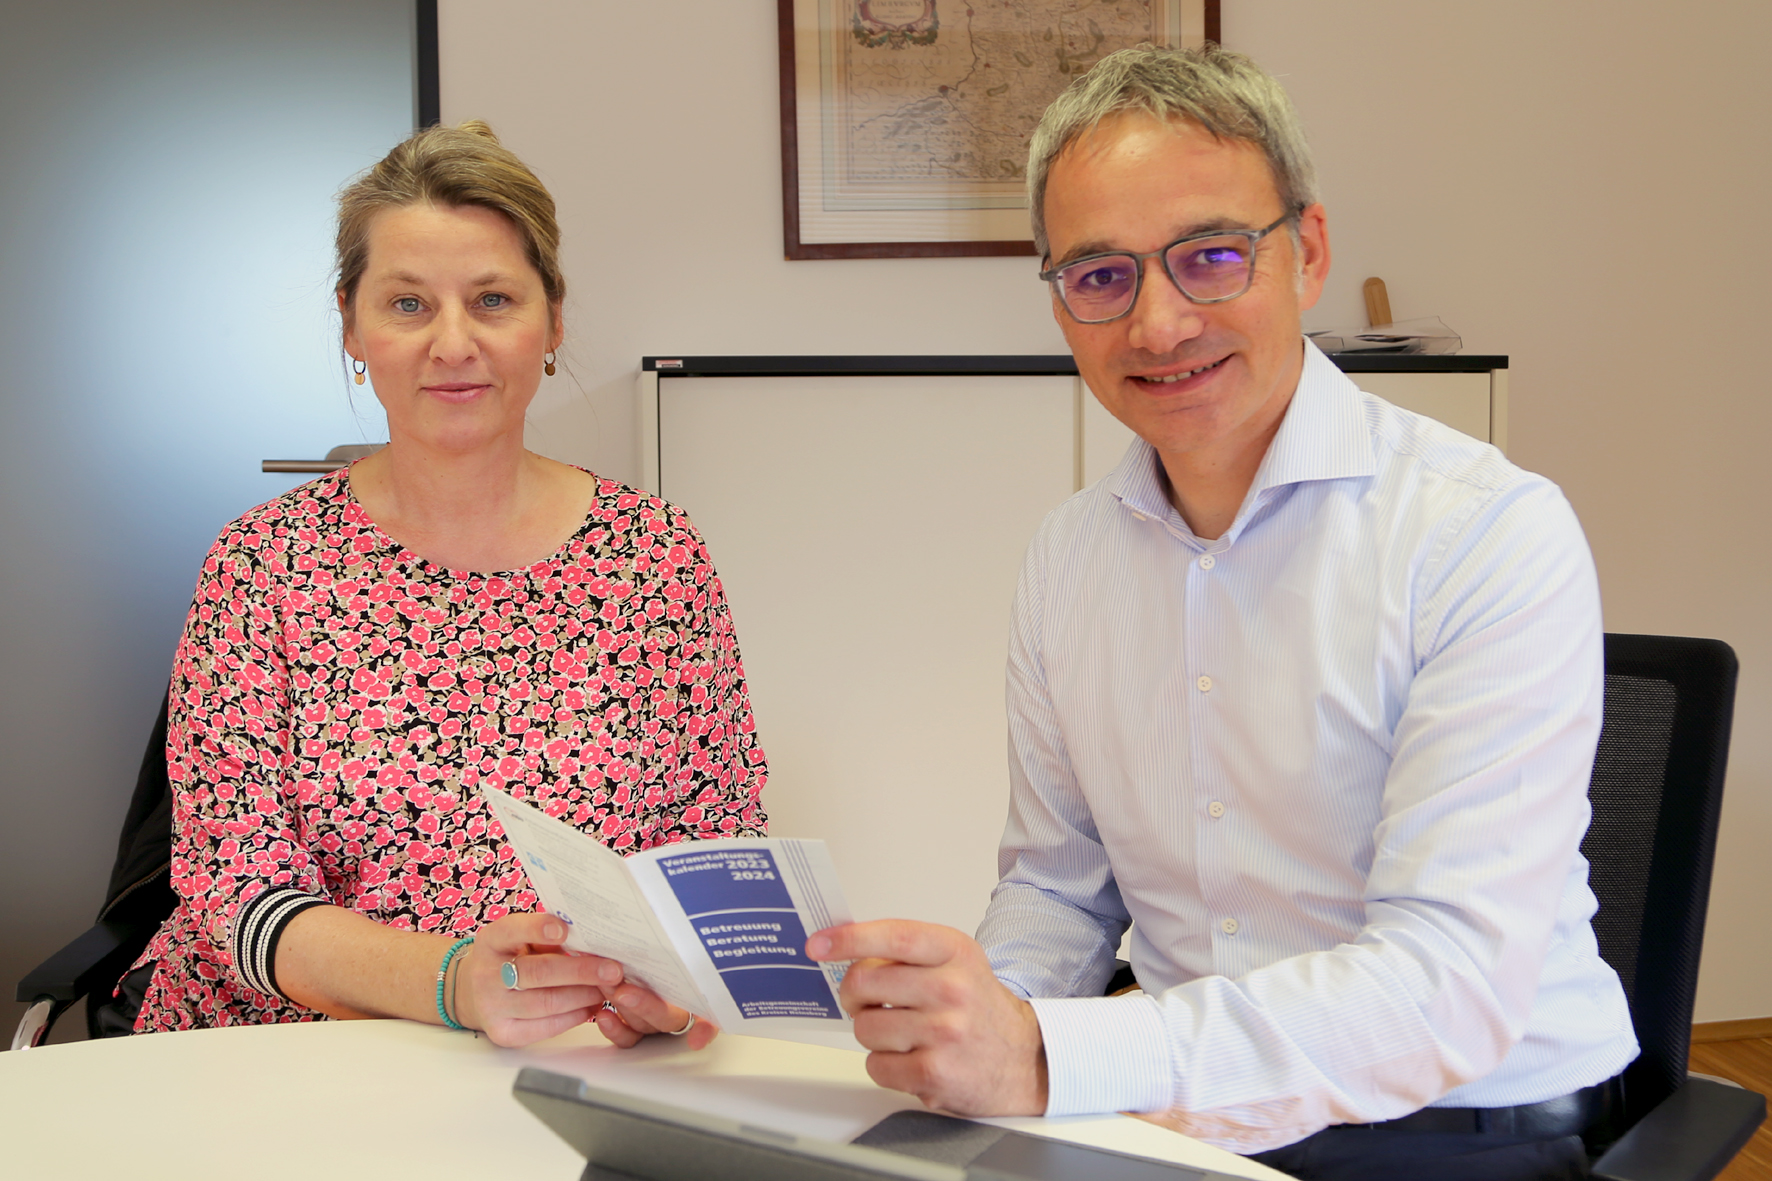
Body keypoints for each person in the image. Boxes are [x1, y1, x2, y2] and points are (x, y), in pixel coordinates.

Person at [807, 45, 1636, 1179]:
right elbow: (1057, 886)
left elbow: (1444, 985)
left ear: (1308, 253)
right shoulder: (1069, 557)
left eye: (1208, 257)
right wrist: (976, 1021)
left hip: (1454, 1120)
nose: (1156, 325)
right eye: (1099, 277)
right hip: (1174, 1105)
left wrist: (1052, 1055)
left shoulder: (1482, 531)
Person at [125, 122, 764, 1049]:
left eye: (493, 299)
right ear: (353, 325)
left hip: (573, 1053)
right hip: (286, 1055)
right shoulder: (261, 564)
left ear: (552, 319)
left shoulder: (657, 560)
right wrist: (452, 982)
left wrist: (676, 986)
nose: (453, 343)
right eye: (409, 304)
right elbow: (236, 892)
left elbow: (713, 854)